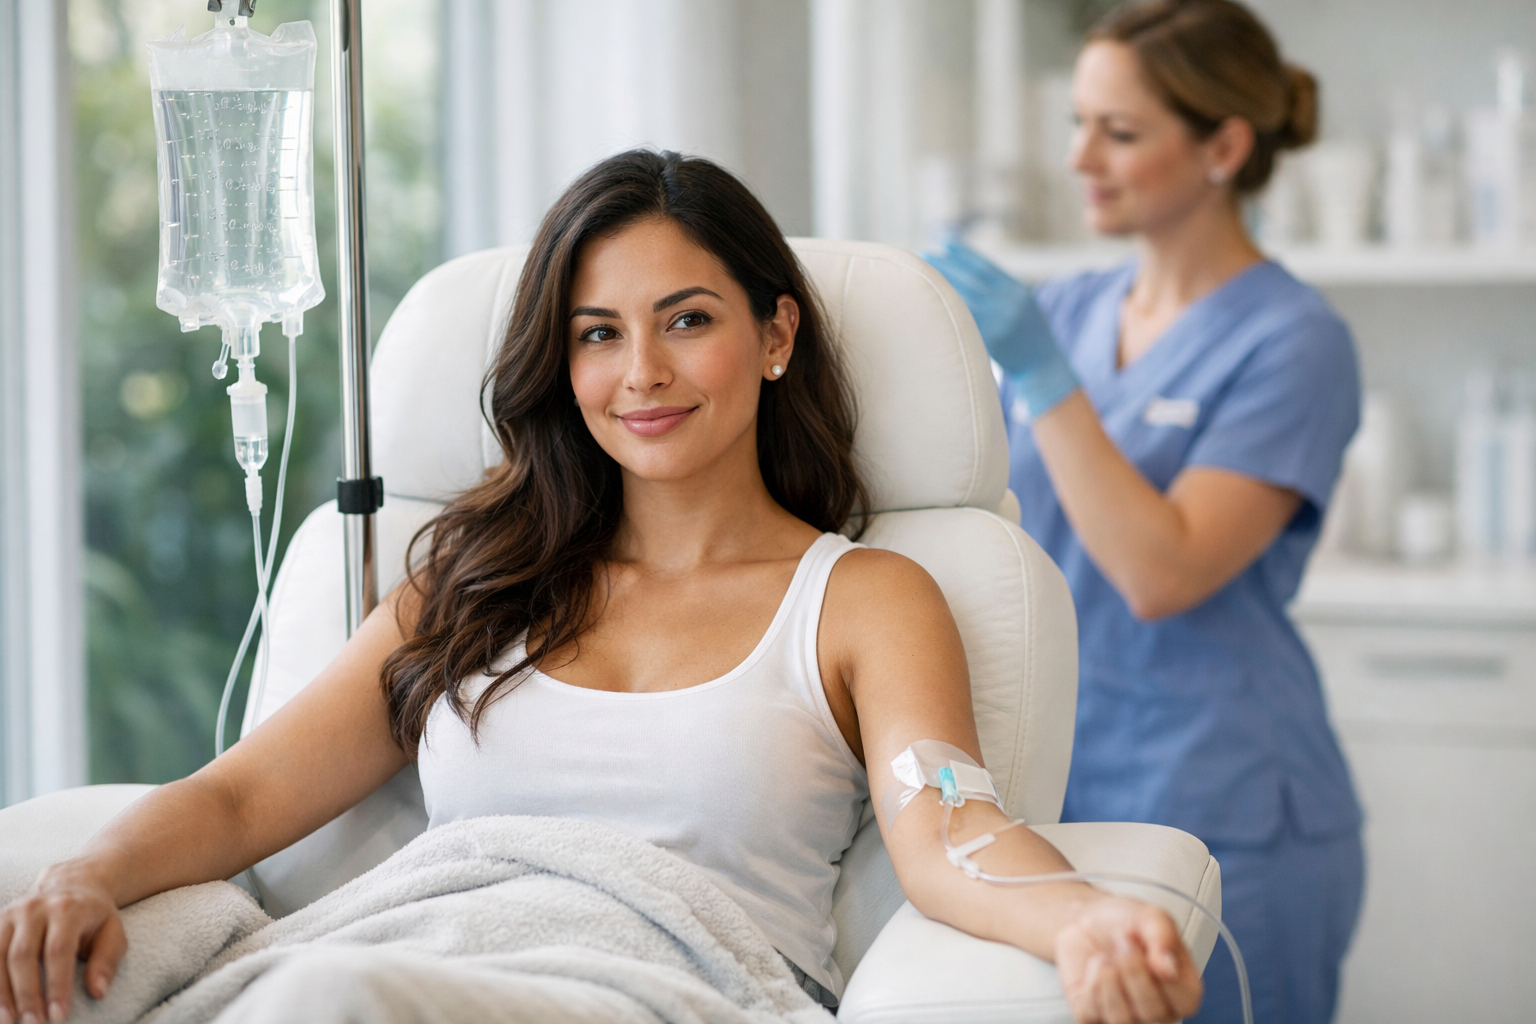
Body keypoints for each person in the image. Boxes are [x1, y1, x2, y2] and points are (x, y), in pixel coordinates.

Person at [0, 151, 1204, 1024]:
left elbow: (953, 826)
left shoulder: (864, 598)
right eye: (597, 333)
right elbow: (235, 800)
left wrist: (1080, 917)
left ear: (776, 335)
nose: (642, 374)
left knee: (329, 999)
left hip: (663, 987)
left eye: (686, 319)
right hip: (413, 954)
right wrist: (82, 877)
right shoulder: (470, 584)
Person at [925, 2, 1363, 1022]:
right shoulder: (1071, 309)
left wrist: (1038, 370)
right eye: (1078, 123)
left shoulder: (1294, 341)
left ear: (1224, 146)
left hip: (1229, 799)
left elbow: (1162, 571)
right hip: (1067, 788)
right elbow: (973, 514)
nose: (1081, 158)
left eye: (1118, 132)